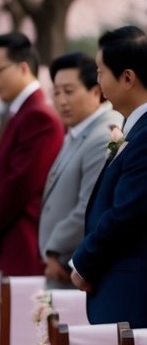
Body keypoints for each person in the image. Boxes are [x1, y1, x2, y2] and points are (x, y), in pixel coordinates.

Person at [72, 27, 147, 326]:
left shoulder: (145, 135)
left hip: (131, 286)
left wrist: (84, 261)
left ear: (127, 78)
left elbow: (127, 211)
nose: (98, 82)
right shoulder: (134, 128)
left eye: (101, 72)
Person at [0, 33, 63, 274]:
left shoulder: (38, 115)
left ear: (23, 68)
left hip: (19, 240)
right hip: (5, 237)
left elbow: (20, 183)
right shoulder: (21, 110)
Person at [38, 51, 117, 287]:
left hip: (71, 265)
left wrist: (55, 250)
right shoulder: (78, 130)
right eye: (56, 92)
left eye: (69, 91)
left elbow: (89, 206)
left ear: (96, 91)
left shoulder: (102, 135)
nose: (61, 100)